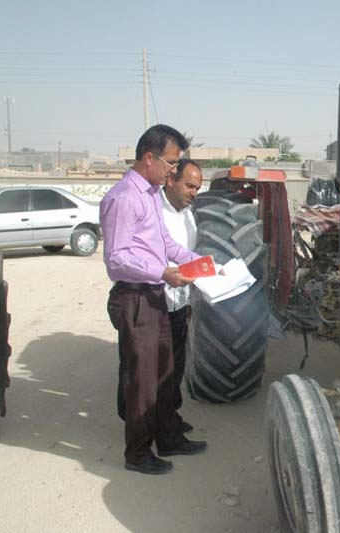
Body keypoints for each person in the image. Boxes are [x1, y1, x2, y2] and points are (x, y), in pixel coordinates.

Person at [102, 124, 207, 475]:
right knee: (144, 380)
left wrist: (200, 263)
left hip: (154, 296)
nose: (174, 171)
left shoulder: (148, 195)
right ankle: (137, 454)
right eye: (171, 163)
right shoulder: (124, 198)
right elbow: (117, 258)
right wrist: (163, 272)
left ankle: (169, 437)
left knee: (165, 373)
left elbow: (165, 244)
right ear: (149, 157)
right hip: (136, 298)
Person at [160, 159, 203, 433]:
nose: (194, 193)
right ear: (170, 180)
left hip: (180, 304)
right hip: (156, 304)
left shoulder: (187, 214)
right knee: (158, 372)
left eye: (197, 188)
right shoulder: (154, 213)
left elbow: (187, 255)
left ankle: (169, 419)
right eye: (189, 186)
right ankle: (154, 428)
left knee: (174, 369)